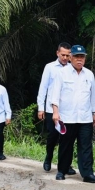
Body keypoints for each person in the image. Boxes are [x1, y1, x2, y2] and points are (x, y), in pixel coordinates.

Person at [51, 44, 95, 183]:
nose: (79, 60)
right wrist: (55, 112)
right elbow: (55, 94)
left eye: (82, 57)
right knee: (66, 145)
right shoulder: (61, 73)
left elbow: (92, 96)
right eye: (76, 57)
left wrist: (94, 113)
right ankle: (62, 170)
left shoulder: (89, 74)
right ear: (71, 58)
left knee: (85, 146)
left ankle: (87, 174)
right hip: (67, 116)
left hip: (85, 117)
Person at [36, 42, 75, 175]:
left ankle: (65, 164)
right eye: (62, 54)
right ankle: (48, 158)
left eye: (67, 55)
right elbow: (43, 88)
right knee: (53, 136)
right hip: (51, 110)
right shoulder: (50, 67)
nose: (65, 57)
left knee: (68, 138)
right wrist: (41, 108)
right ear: (57, 53)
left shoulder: (73, 68)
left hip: (68, 110)